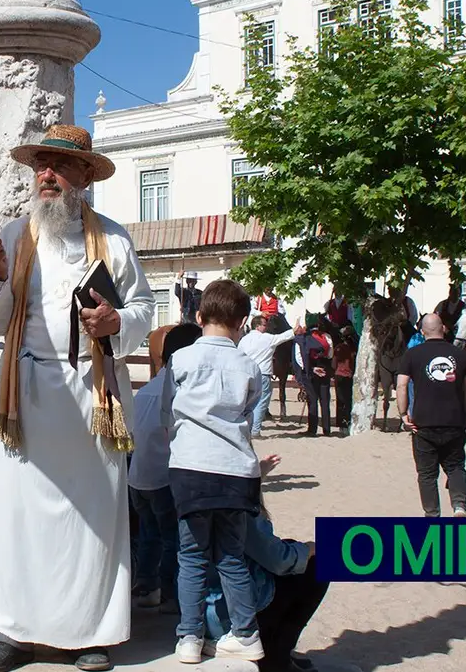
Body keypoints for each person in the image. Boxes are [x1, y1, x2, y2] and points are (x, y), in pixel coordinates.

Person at [0, 125, 155, 672]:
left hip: (92, 397)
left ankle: (90, 634)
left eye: (58, 166)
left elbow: (144, 308)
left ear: (84, 177)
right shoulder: (13, 233)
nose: (46, 175)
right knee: (20, 520)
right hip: (26, 399)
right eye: (40, 165)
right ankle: (14, 634)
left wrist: (116, 320)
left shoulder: (115, 239)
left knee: (93, 519)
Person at [167, 279, 267, 663]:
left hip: (191, 467)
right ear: (242, 321)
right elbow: (248, 410)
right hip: (236, 470)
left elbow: (167, 413)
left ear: (198, 315)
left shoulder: (182, 360)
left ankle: (189, 637)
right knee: (231, 556)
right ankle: (245, 632)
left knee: (191, 556)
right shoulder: (249, 367)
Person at [203, 463, 326, 672]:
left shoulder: (200, 492)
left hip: (205, 610)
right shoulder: (235, 504)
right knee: (318, 565)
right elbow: (277, 559)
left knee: (291, 547)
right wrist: (309, 549)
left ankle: (279, 650)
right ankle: (277, 656)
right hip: (228, 617)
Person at [129, 323, 201, 612]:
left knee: (148, 533)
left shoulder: (146, 390)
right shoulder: (178, 391)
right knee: (173, 539)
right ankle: (171, 593)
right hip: (162, 477)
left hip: (137, 477)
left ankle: (146, 586)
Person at [396, 314, 466, 518]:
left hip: (423, 422)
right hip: (454, 420)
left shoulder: (412, 355)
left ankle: (432, 513)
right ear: (444, 328)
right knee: (456, 466)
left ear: (422, 332)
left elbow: (402, 385)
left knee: (426, 474)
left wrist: (403, 413)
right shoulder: (461, 356)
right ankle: (459, 505)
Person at [238, 315, 297, 437]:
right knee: (261, 402)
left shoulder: (244, 340)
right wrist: (294, 330)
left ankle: (247, 427)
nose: (266, 327)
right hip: (263, 373)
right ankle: (255, 430)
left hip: (246, 373)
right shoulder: (266, 338)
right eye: (264, 325)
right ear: (258, 326)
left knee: (247, 402)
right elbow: (283, 337)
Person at [293, 314, 333, 437]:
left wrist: (310, 369)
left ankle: (312, 429)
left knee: (312, 400)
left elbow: (299, 359)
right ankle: (327, 429)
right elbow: (330, 355)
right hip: (324, 371)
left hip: (310, 373)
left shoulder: (301, 339)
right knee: (325, 400)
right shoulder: (327, 337)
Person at [333, 325, 357, 430]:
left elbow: (333, 364)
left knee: (340, 400)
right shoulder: (353, 349)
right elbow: (353, 364)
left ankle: (340, 423)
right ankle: (347, 421)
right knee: (348, 400)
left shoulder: (338, 348)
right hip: (348, 376)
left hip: (338, 375)